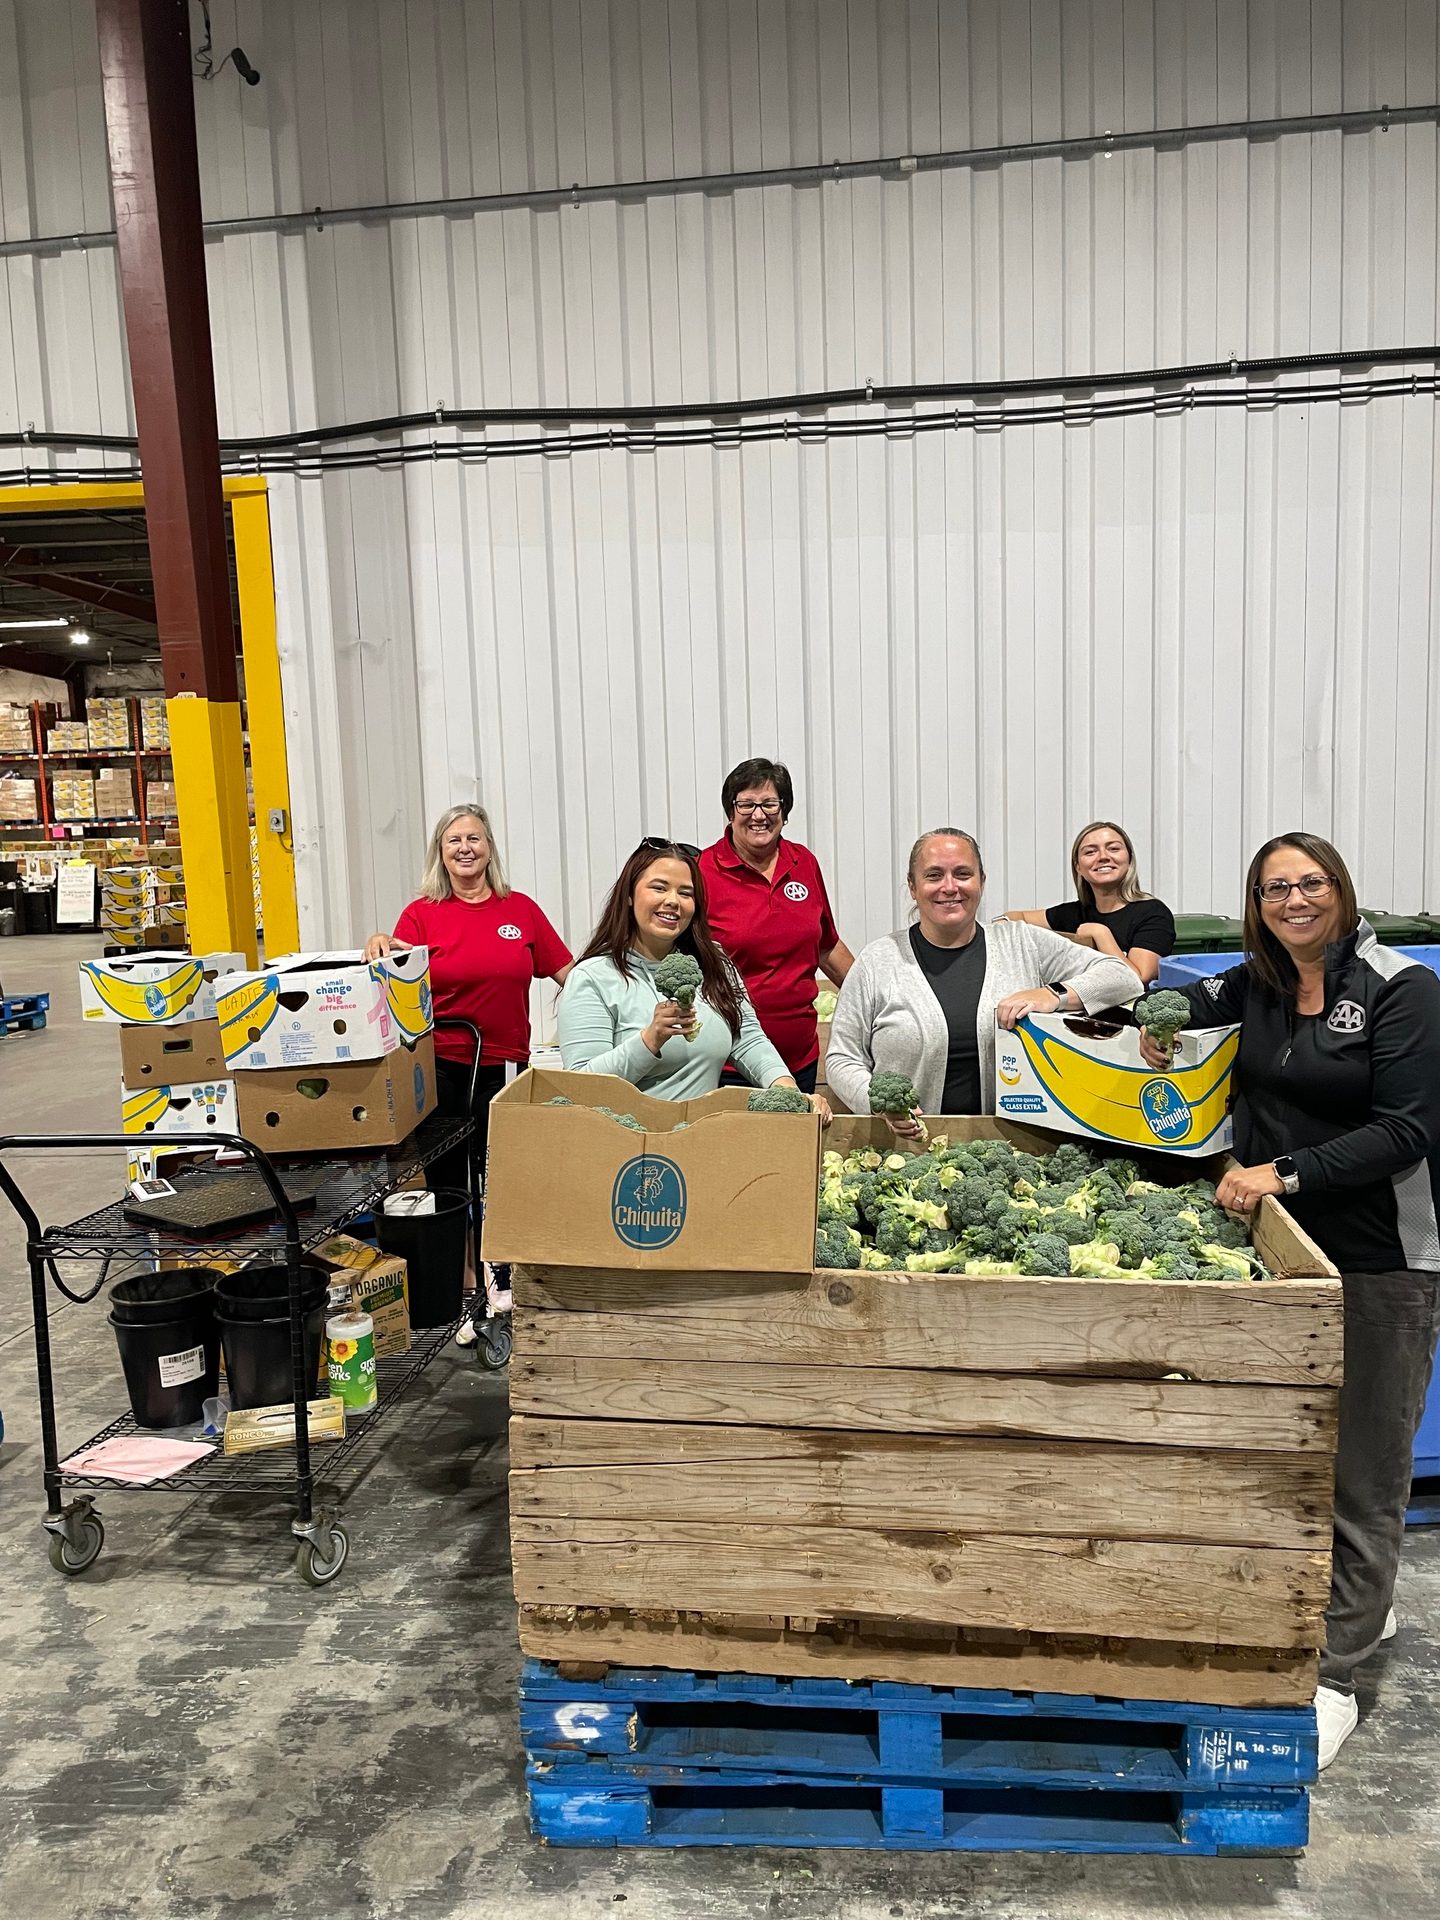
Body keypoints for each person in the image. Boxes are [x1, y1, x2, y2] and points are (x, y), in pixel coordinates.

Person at [1135, 832, 1440, 1772]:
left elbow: (1409, 1129)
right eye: (1274, 888)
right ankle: (1365, 1604)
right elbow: (1180, 1001)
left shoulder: (1402, 989)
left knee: (1364, 1474)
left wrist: (1283, 1173)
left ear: (1343, 890)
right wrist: (1135, 1015)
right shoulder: (1256, 981)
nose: (1294, 901)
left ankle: (1336, 1677)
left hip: (1379, 1261)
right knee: (1285, 1454)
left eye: (1310, 885)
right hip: (1278, 1257)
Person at [364, 805, 572, 1333]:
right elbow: (394, 974)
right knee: (449, 1177)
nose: (465, 848)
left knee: (501, 1176)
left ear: (489, 848)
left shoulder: (519, 909)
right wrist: (378, 946)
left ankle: (501, 1280)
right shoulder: (421, 915)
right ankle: (461, 1290)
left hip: (504, 1065)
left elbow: (569, 972)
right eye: (454, 839)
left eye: (474, 839)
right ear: (441, 851)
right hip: (444, 1066)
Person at [826, 828, 1143, 1131]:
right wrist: (878, 1102)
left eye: (963, 874)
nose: (950, 887)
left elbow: (1124, 977)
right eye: (934, 875)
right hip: (906, 1150)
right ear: (912, 886)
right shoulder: (878, 960)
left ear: (981, 881)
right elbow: (842, 1058)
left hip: (1011, 1150)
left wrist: (1056, 995)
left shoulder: (1021, 943)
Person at [557, 837, 828, 1113]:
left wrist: (785, 1087)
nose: (673, 901)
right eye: (659, 888)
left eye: (685, 893)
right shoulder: (592, 978)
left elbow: (747, 1037)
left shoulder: (714, 963)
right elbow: (582, 1090)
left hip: (701, 1141)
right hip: (628, 1149)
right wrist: (650, 1039)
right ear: (629, 895)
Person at [699, 758, 854, 1091]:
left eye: (770, 804)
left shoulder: (804, 862)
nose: (759, 815)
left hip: (800, 1059)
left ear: (784, 811)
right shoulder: (702, 871)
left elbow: (827, 946)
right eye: (747, 804)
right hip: (730, 1062)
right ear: (730, 811)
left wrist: (875, 998)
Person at [1001, 820, 1175, 987]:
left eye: (1113, 848)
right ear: (1078, 867)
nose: (1103, 857)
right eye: (1090, 852)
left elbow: (1137, 979)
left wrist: (1101, 935)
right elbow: (1016, 916)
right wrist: (1001, 927)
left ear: (1129, 859)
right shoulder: (1074, 913)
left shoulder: (1153, 913)